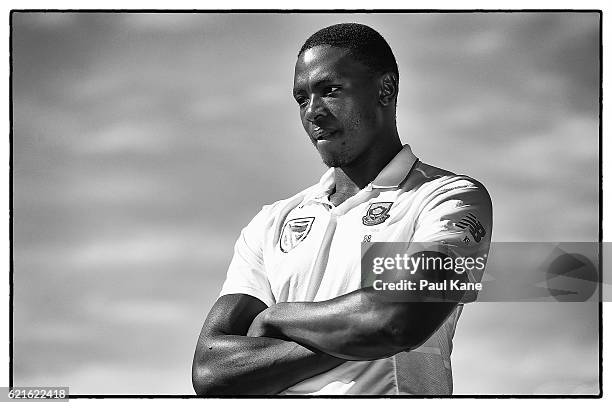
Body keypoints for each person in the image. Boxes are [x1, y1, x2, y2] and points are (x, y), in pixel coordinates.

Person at [192, 23, 492, 395]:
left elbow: (398, 320)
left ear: (385, 90)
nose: (312, 112)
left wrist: (275, 317)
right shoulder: (271, 222)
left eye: (330, 91)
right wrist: (355, 336)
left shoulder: (446, 198)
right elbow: (211, 370)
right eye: (301, 98)